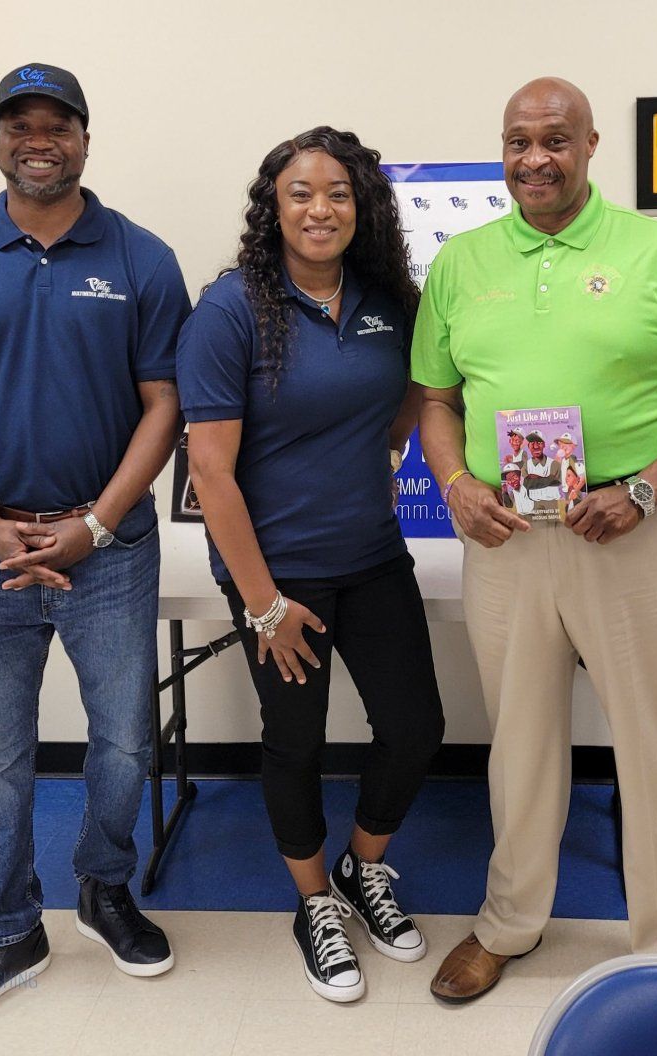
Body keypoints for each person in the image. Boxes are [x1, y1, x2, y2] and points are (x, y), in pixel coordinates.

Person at [412, 77, 657, 1003]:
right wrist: (455, 484)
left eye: (555, 140)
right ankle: (510, 922)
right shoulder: (462, 263)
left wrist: (644, 488)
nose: (535, 159)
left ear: (593, 145)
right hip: (511, 538)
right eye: (519, 142)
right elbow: (435, 401)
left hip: (632, 532)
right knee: (517, 740)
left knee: (656, 741)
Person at [0, 64, 192, 1035]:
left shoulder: (142, 260)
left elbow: (165, 406)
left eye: (55, 123)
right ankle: (11, 929)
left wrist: (94, 524)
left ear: (84, 138)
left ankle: (105, 888)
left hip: (109, 549)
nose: (38, 138)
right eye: (19, 124)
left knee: (124, 743)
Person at [176, 125, 444, 1003]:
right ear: (274, 207)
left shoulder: (386, 299)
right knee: (295, 738)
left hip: (370, 555)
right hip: (275, 575)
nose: (319, 208)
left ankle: (365, 869)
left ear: (361, 205)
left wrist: (383, 449)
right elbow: (210, 470)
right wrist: (262, 606)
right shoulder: (230, 310)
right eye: (300, 193)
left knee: (415, 727)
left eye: (337, 192)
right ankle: (314, 901)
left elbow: (410, 395)